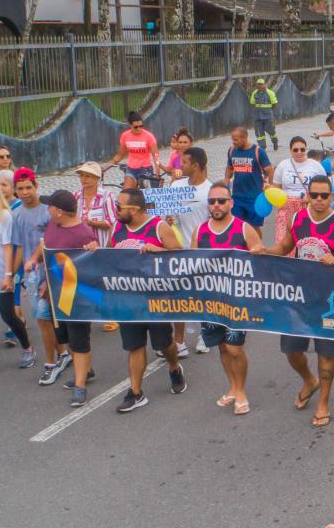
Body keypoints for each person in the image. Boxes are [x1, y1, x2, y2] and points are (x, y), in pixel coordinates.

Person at [270, 176, 334, 427]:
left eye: (325, 195)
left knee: (325, 354)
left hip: (329, 298)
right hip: (299, 297)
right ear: (308, 195)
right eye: (315, 195)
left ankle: (324, 403)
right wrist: (264, 252)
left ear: (332, 197)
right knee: (291, 349)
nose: (319, 200)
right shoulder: (297, 218)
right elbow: (286, 246)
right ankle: (309, 380)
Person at [110, 187, 187, 413]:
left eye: (119, 207)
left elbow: (180, 257)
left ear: (133, 210)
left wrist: (159, 250)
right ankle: (135, 392)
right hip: (129, 299)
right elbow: (108, 258)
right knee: (135, 346)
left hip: (156, 298)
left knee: (164, 343)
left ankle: (174, 367)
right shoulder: (118, 228)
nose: (115, 210)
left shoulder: (158, 226)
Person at [196, 183, 263, 415]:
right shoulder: (200, 231)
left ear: (230, 203)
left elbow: (260, 260)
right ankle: (233, 387)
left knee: (235, 349)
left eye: (221, 201)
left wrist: (256, 252)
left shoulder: (244, 229)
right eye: (212, 201)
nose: (216, 205)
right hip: (211, 302)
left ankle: (242, 390)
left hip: (237, 301)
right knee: (222, 347)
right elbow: (190, 262)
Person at [26, 191, 98, 405]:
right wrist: (33, 259)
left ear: (58, 211)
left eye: (50, 207)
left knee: (79, 339)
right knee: (64, 338)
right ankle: (85, 370)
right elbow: (44, 244)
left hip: (76, 299)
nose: (46, 209)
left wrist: (94, 249)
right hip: (53, 293)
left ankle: (80, 386)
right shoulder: (53, 225)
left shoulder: (83, 234)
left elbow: (93, 266)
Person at [11, 168, 70, 385]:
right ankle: (64, 354)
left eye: (29, 187)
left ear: (36, 187)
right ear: (16, 192)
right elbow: (18, 248)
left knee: (44, 320)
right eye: (20, 189)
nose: (25, 192)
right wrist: (10, 275)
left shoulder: (49, 211)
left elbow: (55, 241)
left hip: (52, 272)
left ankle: (50, 364)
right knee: (47, 320)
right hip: (32, 276)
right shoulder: (16, 215)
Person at [0, 172, 34, 376]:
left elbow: (7, 248)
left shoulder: (3, 216)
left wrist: (8, 275)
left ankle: (28, 347)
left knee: (8, 316)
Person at [171, 146, 214, 356]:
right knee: (179, 297)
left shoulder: (211, 191)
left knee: (204, 296)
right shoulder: (177, 185)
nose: (181, 166)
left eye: (185, 162)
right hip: (179, 251)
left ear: (196, 165)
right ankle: (178, 342)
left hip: (203, 253)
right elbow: (171, 217)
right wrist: (169, 219)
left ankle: (204, 336)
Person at [272, 136, 327, 243]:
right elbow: (276, 187)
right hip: (286, 209)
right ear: (290, 150)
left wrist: (312, 197)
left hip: (308, 208)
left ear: (306, 149)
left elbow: (325, 187)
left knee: (305, 242)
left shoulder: (316, 166)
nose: (299, 152)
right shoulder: (283, 165)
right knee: (282, 240)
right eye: (295, 150)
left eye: (302, 149)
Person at [224, 126, 273, 230]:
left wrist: (269, 184)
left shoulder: (258, 151)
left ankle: (258, 246)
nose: (233, 142)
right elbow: (229, 168)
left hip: (254, 198)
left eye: (236, 140)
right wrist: (226, 182)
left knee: (254, 228)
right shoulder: (232, 150)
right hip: (237, 197)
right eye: (232, 139)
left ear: (245, 137)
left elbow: (269, 169)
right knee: (237, 227)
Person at [106, 111, 162, 189]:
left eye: (141, 126)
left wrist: (158, 173)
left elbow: (156, 156)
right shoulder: (125, 136)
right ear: (130, 125)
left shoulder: (149, 136)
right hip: (131, 169)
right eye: (136, 127)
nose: (139, 129)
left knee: (145, 193)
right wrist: (107, 166)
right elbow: (120, 155)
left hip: (145, 169)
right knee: (127, 192)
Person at [73, 161, 117, 247]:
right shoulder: (75, 195)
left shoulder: (106, 196)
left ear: (97, 178)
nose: (83, 179)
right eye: (81, 175)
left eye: (87, 176)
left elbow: (112, 223)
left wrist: (91, 223)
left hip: (101, 247)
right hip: (80, 247)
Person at [249, 77, 279, 154]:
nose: (259, 86)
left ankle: (275, 142)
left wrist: (269, 111)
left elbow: (275, 104)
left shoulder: (270, 93)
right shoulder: (255, 93)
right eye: (258, 84)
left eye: (261, 84)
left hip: (268, 116)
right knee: (259, 133)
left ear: (265, 84)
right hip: (257, 116)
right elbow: (252, 103)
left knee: (271, 130)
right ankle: (262, 147)